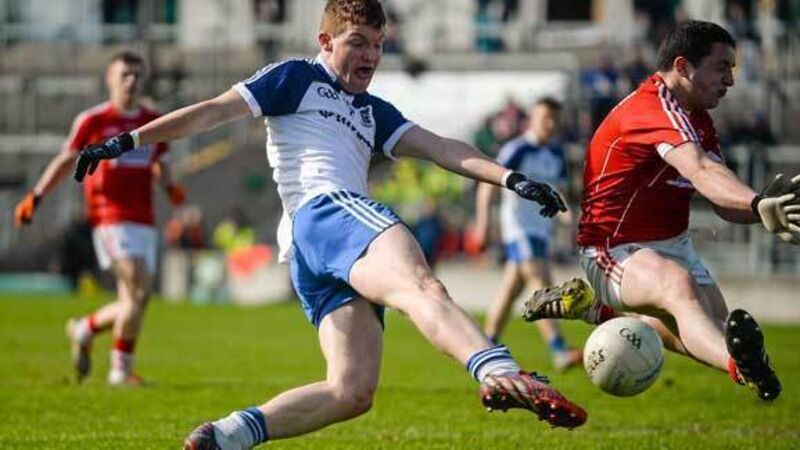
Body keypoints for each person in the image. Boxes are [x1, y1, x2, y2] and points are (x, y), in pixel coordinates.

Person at [72, 1, 585, 447]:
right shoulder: (296, 78)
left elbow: (440, 147)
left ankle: (227, 435)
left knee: (351, 390)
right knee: (419, 284)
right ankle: (500, 370)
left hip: (311, 249)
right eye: (357, 42)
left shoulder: (372, 111)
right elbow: (211, 112)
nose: (370, 56)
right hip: (329, 211)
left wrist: (510, 178)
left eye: (378, 45)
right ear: (325, 41)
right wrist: (128, 140)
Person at [522, 21, 800, 402]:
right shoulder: (651, 108)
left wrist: (762, 208)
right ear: (683, 66)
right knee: (678, 288)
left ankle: (597, 310)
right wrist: (756, 202)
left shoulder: (698, 118)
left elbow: (721, 200)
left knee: (711, 325)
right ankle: (744, 368)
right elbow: (700, 170)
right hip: (612, 248)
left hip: (673, 244)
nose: (730, 80)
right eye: (722, 67)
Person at [14, 51, 187, 386]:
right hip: (110, 217)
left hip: (144, 219)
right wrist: (36, 195)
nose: (131, 81)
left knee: (133, 300)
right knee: (138, 289)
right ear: (109, 79)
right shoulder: (93, 121)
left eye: (137, 75)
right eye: (124, 75)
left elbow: (160, 162)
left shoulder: (152, 120)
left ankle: (85, 328)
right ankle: (120, 371)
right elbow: (66, 160)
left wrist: (171, 189)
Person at [473, 97, 581, 371]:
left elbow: (560, 196)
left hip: (541, 232)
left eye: (554, 118)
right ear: (532, 119)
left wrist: (571, 221)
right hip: (519, 230)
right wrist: (483, 223)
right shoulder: (517, 149)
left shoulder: (555, 154)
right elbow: (488, 184)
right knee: (539, 281)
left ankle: (484, 346)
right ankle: (558, 349)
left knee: (510, 291)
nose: (550, 123)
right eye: (545, 117)